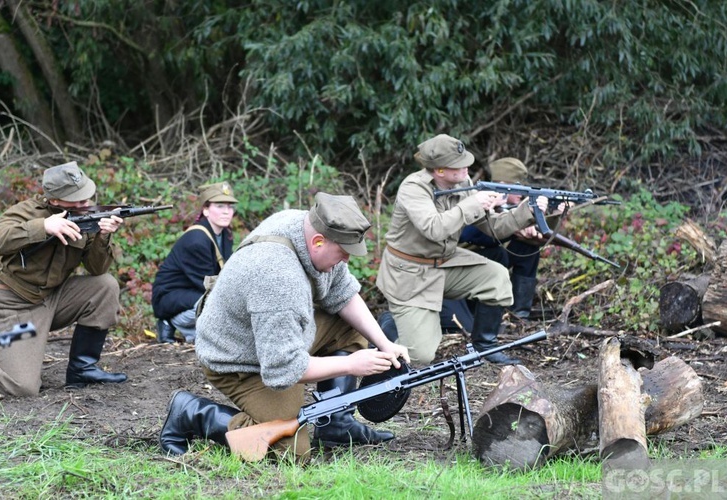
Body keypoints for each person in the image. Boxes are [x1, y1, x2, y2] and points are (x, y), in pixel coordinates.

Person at [159, 192, 410, 460]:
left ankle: (337, 424)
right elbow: (283, 368)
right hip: (238, 359)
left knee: (350, 325)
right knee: (291, 451)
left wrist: (386, 344)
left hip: (274, 336)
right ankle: (192, 413)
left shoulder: (309, 226)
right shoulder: (278, 279)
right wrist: (352, 365)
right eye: (343, 253)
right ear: (318, 242)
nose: (346, 260)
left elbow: (344, 292)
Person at [376, 134, 548, 367]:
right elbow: (434, 229)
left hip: (445, 262)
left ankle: (485, 346)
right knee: (420, 357)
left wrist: (526, 211)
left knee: (496, 277)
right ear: (439, 171)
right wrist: (473, 204)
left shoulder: (463, 184)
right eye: (459, 165)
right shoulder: (413, 188)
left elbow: (493, 227)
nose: (467, 167)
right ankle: (388, 326)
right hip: (410, 273)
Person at [0, 161, 127, 397]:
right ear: (54, 200)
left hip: (51, 298)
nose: (84, 204)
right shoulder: (26, 212)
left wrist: (102, 237)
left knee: (105, 285)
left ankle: (82, 369)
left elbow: (96, 269)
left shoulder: (85, 216)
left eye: (86, 198)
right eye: (76, 200)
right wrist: (43, 226)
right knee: (23, 388)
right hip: (10, 304)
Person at [440, 157, 567, 332]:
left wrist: (555, 215)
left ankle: (519, 314)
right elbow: (469, 233)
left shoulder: (508, 206)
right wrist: (509, 226)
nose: (522, 195)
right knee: (464, 328)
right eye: (519, 189)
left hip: (486, 262)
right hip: (455, 268)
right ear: (503, 186)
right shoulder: (474, 199)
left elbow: (540, 234)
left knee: (527, 248)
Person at [151, 182, 237, 343]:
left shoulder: (225, 234)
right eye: (219, 206)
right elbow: (208, 285)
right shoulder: (196, 240)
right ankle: (170, 322)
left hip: (194, 291)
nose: (226, 212)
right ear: (205, 210)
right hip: (171, 297)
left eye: (230, 207)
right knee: (217, 303)